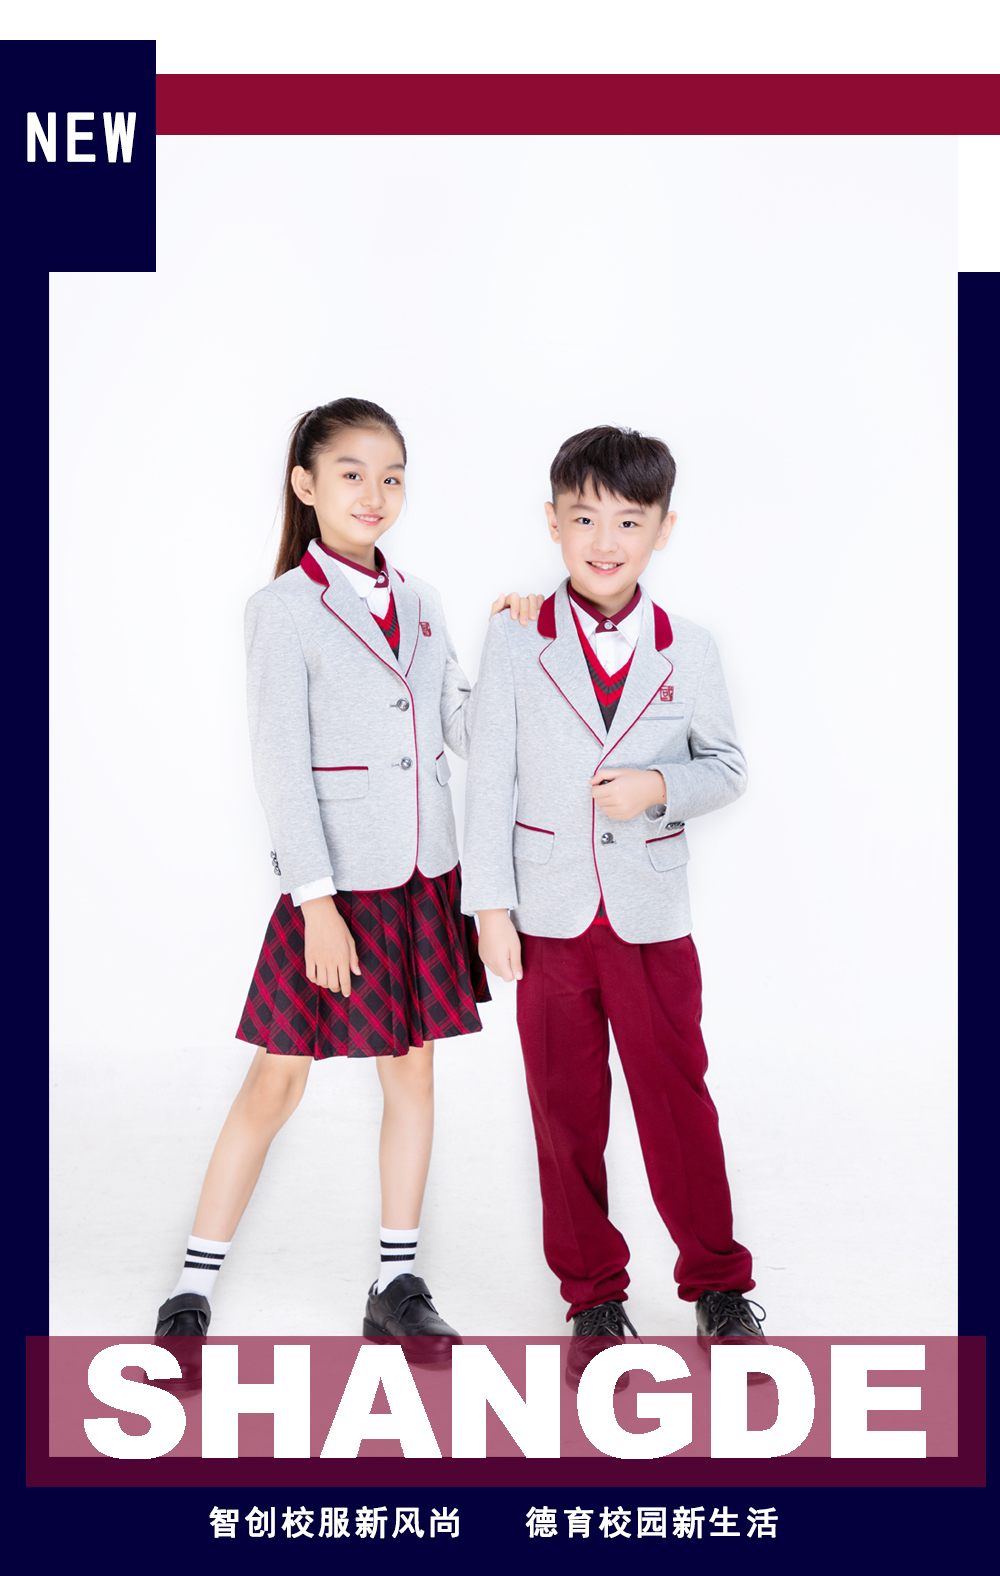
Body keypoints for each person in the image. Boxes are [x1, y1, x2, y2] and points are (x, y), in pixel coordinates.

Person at [154, 397, 537, 1355]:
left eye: (392, 476)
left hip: (423, 878)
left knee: (413, 1073)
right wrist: (315, 903)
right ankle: (192, 1286)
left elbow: (463, 725)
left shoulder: (424, 600)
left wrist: (517, 643)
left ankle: (394, 1281)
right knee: (276, 1080)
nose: (375, 493)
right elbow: (281, 767)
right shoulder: (281, 609)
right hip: (334, 887)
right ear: (306, 484)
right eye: (353, 473)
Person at [461, 424, 764, 1383]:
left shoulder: (689, 648)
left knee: (677, 1101)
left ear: (664, 529)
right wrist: (489, 907)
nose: (605, 540)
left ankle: (718, 1284)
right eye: (584, 517)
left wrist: (659, 787)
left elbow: (728, 766)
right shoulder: (515, 637)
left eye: (629, 521)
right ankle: (593, 1296)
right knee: (565, 1111)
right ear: (552, 522)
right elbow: (490, 779)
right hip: (547, 918)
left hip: (649, 918)